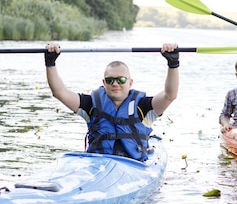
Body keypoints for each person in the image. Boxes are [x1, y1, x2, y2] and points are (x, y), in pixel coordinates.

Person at [44, 42, 180, 161]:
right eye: (110, 80)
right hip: (98, 164)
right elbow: (59, 92)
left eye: (121, 80)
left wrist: (172, 64)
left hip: (133, 166)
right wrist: (51, 63)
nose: (115, 84)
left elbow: (170, 95)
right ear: (104, 83)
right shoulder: (91, 104)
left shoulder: (143, 107)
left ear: (130, 82)